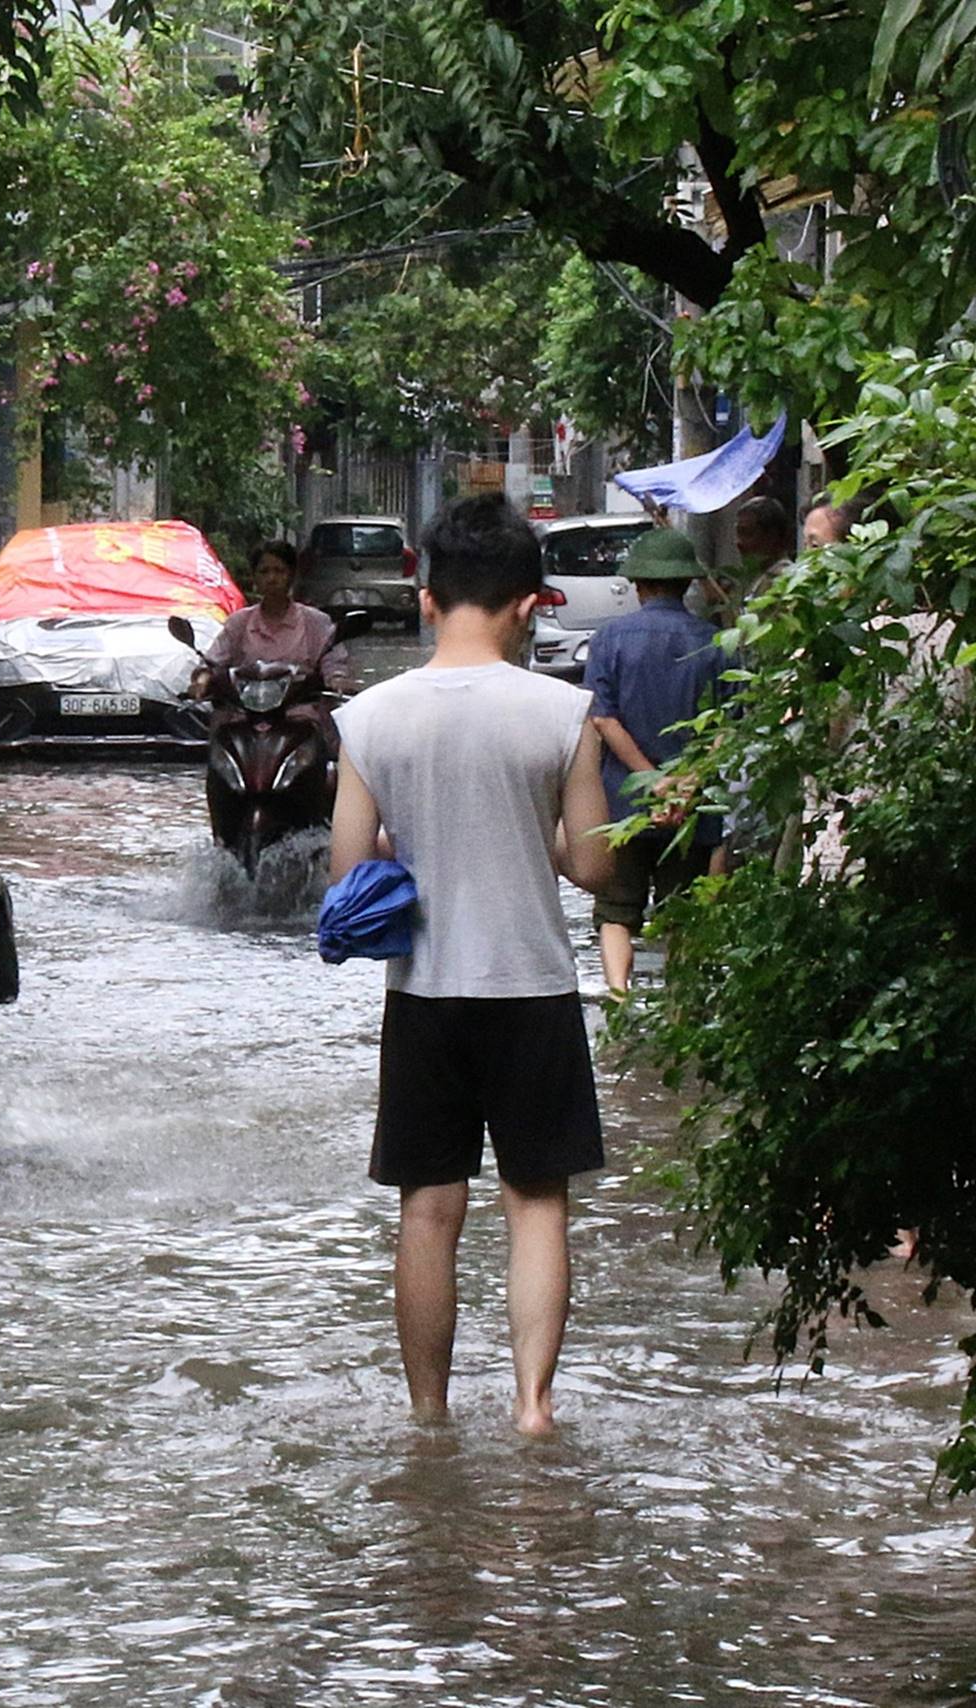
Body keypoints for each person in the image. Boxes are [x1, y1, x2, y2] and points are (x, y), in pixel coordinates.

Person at [328, 495, 616, 1439]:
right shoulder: (561, 711)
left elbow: (349, 874)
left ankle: (429, 1414)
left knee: (429, 1210)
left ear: (424, 598)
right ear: (530, 606)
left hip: (423, 994)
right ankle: (534, 1408)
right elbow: (593, 862)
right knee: (537, 1207)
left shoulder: (371, 718)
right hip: (532, 987)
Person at [584, 530, 737, 995]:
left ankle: (618, 997)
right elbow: (729, 726)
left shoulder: (609, 639)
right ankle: (681, 1008)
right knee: (683, 913)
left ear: (639, 586)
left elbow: (603, 720)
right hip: (692, 810)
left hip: (625, 804)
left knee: (616, 912)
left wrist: (650, 779)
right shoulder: (718, 642)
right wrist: (685, 782)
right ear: (685, 583)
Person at [186, 540, 362, 701]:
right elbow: (213, 662)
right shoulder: (238, 622)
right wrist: (201, 682)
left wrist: (338, 680)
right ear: (254, 577)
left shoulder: (316, 622)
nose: (271, 579)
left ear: (292, 576)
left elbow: (333, 663)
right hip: (245, 713)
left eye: (279, 571)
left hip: (299, 712)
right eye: (264, 572)